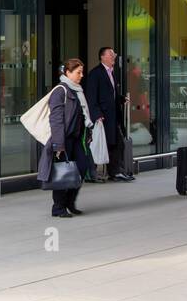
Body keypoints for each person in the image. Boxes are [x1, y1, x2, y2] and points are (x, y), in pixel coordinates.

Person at [37, 58, 94, 218]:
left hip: (77, 138)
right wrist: (58, 145)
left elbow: (82, 116)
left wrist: (87, 133)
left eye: (82, 72)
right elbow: (56, 120)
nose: (81, 75)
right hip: (63, 139)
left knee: (82, 168)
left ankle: (70, 202)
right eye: (78, 72)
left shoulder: (77, 91)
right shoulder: (60, 91)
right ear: (67, 73)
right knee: (62, 172)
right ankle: (58, 207)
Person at [84, 46, 131, 182]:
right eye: (111, 54)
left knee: (116, 143)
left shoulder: (111, 73)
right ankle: (92, 174)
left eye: (114, 54)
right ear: (102, 57)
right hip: (102, 117)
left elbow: (111, 94)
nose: (114, 56)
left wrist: (121, 98)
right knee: (97, 144)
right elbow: (91, 96)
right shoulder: (95, 74)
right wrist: (96, 114)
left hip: (113, 116)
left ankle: (115, 172)